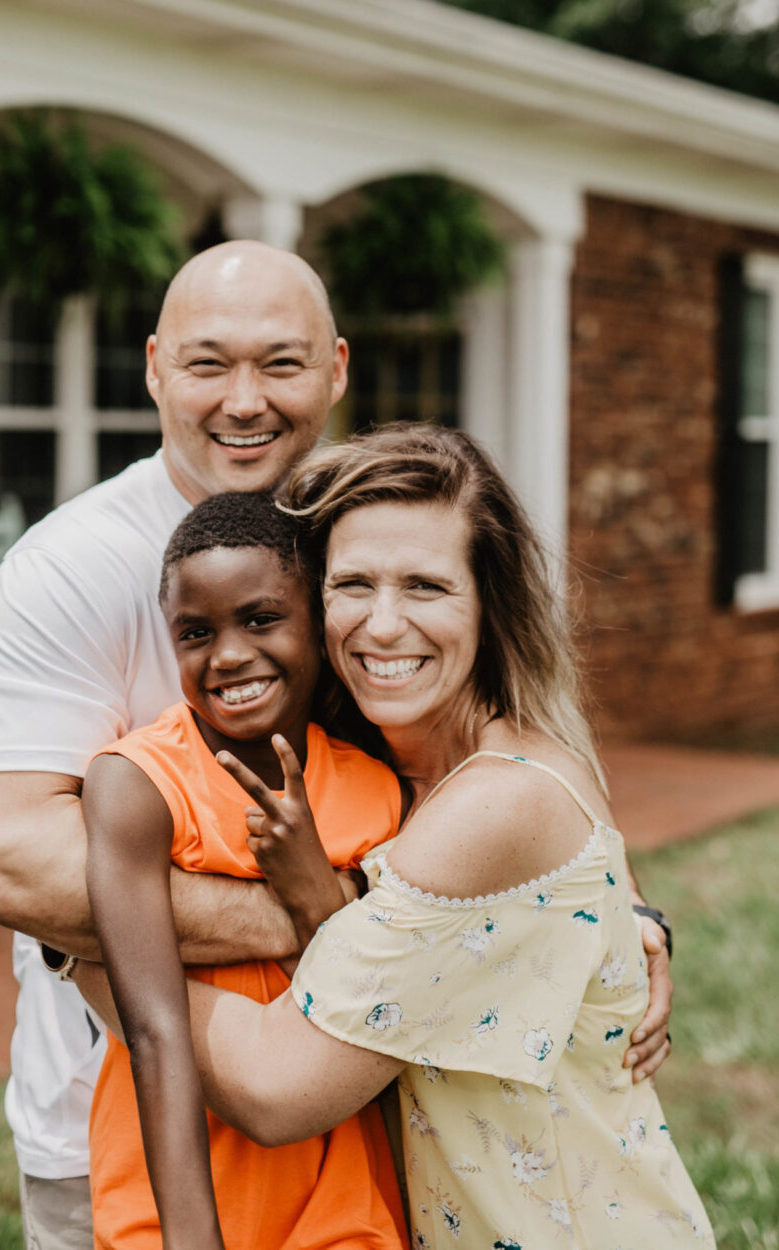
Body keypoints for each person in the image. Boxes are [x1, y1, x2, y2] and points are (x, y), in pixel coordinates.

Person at [0, 241, 672, 1247]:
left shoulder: (355, 531)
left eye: (280, 363)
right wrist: (331, 918)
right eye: (208, 362)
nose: (244, 400)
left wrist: (621, 907)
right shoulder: (74, 567)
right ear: (154, 366)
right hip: (120, 1130)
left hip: (362, 1139)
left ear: (335, 369)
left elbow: (513, 723)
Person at [75, 424, 711, 1248]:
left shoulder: (495, 803)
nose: (381, 626)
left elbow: (276, 1086)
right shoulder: (381, 771)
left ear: (490, 601)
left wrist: (95, 949)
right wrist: (641, 918)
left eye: (425, 587)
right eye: (353, 585)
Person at [83, 491, 406, 1249]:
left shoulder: (376, 789)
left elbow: (373, 1001)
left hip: (341, 1197)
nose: (227, 655)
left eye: (261, 619)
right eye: (196, 633)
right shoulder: (138, 786)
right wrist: (192, 1239)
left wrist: (314, 890)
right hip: (175, 1197)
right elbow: (156, 1027)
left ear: (318, 626)